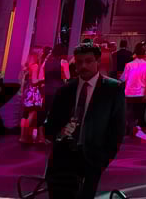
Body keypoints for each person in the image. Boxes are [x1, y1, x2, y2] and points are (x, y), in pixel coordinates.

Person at [44, 44, 125, 199]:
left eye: (88, 61)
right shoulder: (65, 90)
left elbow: (117, 129)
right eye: (79, 62)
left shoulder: (113, 89)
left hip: (92, 157)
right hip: (62, 157)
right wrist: (57, 134)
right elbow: (51, 122)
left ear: (98, 62)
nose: (83, 66)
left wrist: (103, 160)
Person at [120, 42, 146, 137]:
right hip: (141, 92)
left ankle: (130, 127)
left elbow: (123, 78)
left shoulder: (129, 65)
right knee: (139, 111)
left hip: (129, 92)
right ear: (144, 54)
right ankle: (136, 128)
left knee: (129, 111)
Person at [20, 49, 46, 144]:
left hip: (27, 91)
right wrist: (43, 80)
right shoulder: (35, 66)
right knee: (32, 114)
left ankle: (22, 136)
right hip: (33, 92)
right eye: (40, 53)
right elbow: (34, 81)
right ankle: (25, 136)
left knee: (25, 114)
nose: (42, 55)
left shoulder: (28, 66)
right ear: (37, 55)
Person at [41, 44, 70, 117]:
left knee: (45, 111)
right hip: (58, 89)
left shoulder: (46, 62)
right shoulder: (63, 62)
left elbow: (41, 76)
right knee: (56, 112)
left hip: (47, 89)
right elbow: (68, 76)